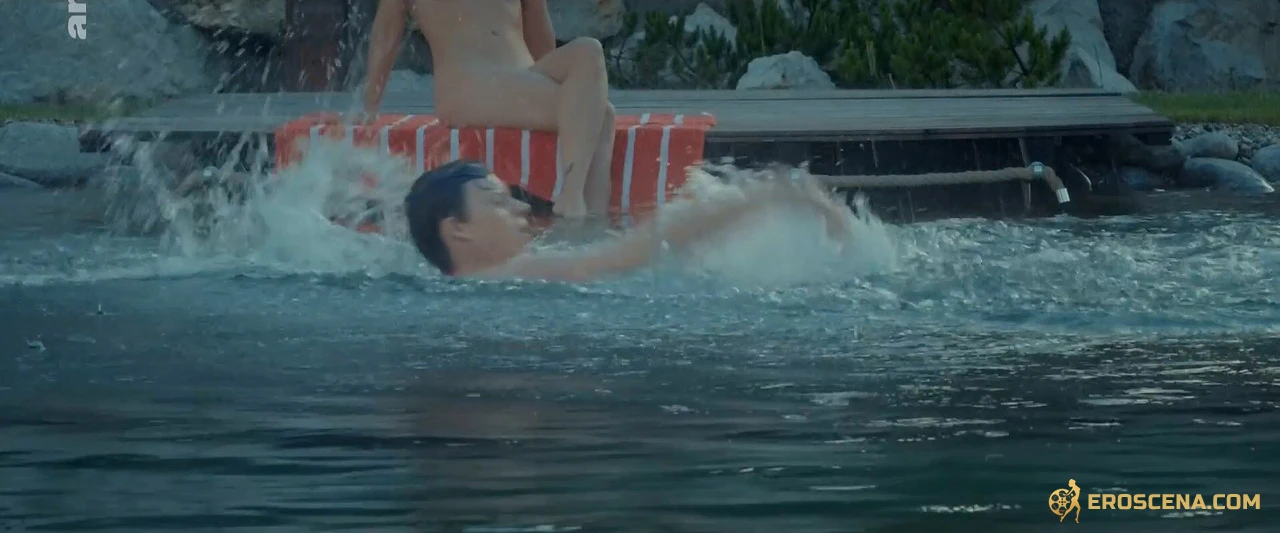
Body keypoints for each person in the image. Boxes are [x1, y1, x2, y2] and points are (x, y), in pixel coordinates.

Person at [362, 0, 614, 219]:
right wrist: (371, 103)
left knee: (589, 52)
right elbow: (387, 28)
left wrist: (557, 85)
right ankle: (579, 212)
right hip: (468, 84)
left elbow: (538, 26)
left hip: (522, 75)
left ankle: (579, 210)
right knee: (598, 115)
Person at [403, 160, 851, 281]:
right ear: (457, 228)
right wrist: (764, 195)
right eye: (498, 203)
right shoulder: (517, 273)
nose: (522, 209)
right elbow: (631, 254)